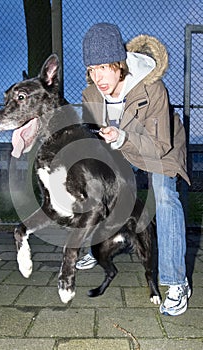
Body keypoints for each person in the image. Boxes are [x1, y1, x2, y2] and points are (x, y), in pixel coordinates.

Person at [76, 22, 191, 316]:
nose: (98, 77)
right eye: (92, 68)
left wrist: (123, 137)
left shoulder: (152, 89)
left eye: (104, 67)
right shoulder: (91, 94)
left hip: (158, 146)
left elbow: (159, 145)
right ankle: (96, 250)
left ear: (120, 63)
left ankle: (176, 283)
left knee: (164, 196)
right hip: (119, 148)